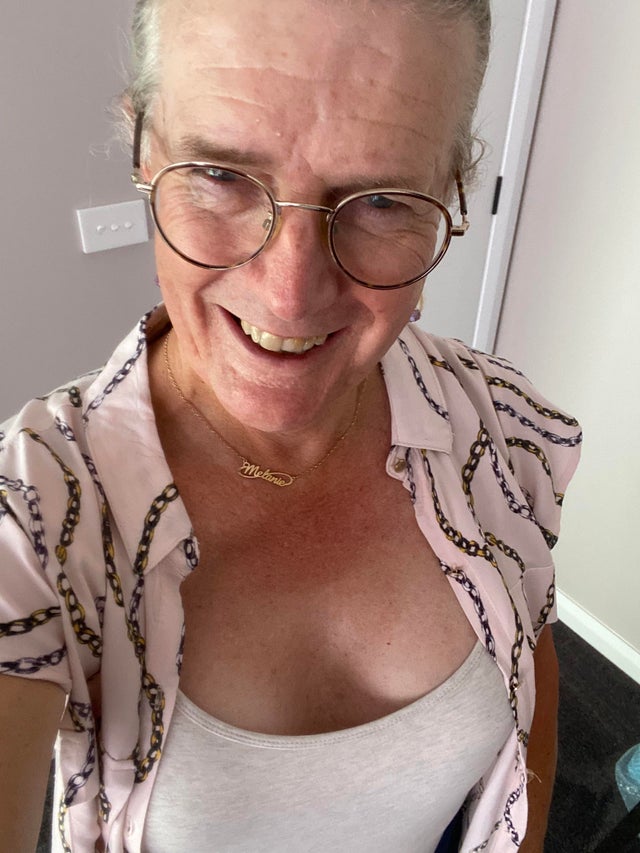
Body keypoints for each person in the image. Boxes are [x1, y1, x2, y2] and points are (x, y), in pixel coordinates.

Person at [0, 0, 582, 851]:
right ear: (144, 150)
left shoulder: (497, 423)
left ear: (449, 192)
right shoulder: (37, 512)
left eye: (380, 198)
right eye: (221, 174)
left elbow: (532, 680)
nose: (290, 294)